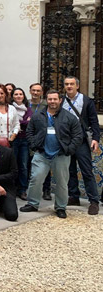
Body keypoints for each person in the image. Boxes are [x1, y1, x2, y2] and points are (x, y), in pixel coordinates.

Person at [21, 90, 82, 218]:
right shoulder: (38, 116)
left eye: (55, 99)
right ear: (46, 100)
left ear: (60, 100)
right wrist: (34, 145)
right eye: (50, 99)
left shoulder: (69, 117)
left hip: (61, 155)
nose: (52, 102)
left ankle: (60, 207)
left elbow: (77, 135)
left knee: (61, 183)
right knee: (35, 178)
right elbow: (30, 131)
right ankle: (32, 203)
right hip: (42, 154)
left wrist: (69, 149)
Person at [61, 76, 101, 214]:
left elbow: (93, 121)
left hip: (82, 141)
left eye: (72, 84)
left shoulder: (86, 101)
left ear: (77, 86)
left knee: (86, 171)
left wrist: (96, 138)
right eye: (66, 84)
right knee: (70, 170)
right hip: (66, 141)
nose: (69, 86)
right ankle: (74, 196)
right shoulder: (61, 101)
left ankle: (94, 201)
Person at [11, 87, 33, 200]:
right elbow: (12, 122)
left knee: (24, 165)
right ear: (12, 96)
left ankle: (23, 189)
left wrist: (19, 123)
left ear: (23, 96)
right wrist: (24, 122)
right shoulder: (10, 108)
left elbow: (29, 122)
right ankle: (13, 188)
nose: (18, 96)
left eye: (20, 94)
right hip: (13, 139)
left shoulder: (28, 109)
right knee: (13, 165)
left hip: (24, 140)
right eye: (16, 94)